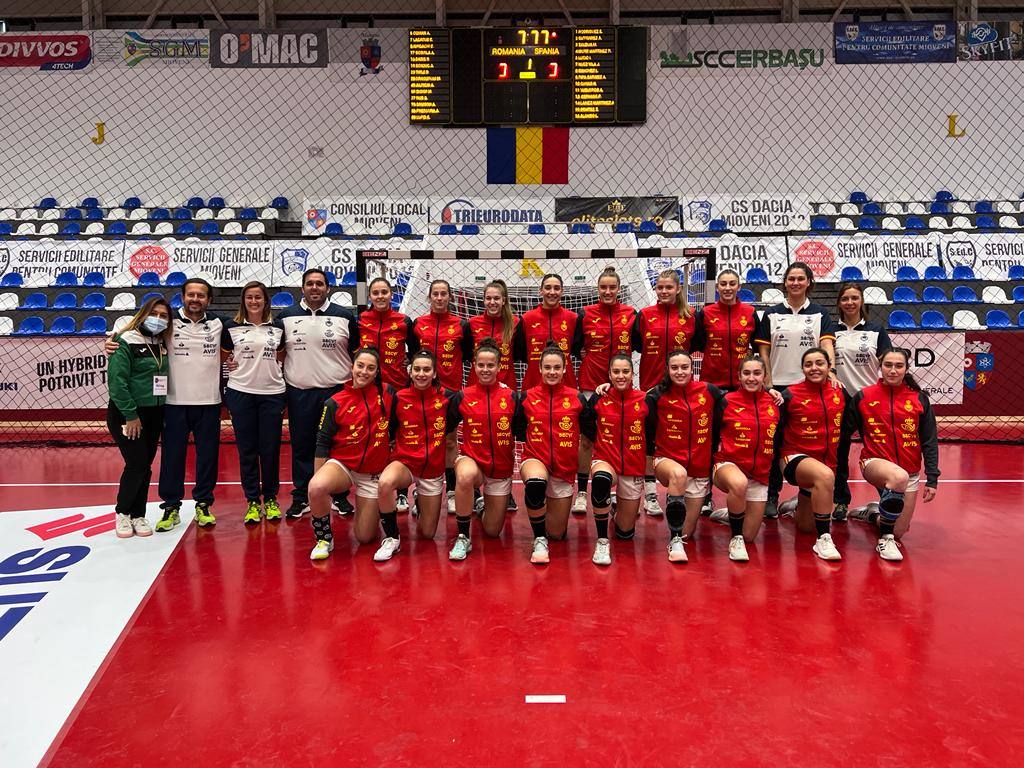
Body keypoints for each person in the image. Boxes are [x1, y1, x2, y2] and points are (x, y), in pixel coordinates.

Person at [838, 348, 940, 561]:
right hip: (874, 462)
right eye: (888, 365)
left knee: (900, 531)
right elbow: (844, 435)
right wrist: (838, 470)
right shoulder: (864, 397)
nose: (893, 371)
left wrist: (932, 478)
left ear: (906, 369)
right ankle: (885, 540)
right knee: (897, 478)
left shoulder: (919, 398)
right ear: (880, 367)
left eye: (899, 366)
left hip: (909, 471)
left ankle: (873, 513)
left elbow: (929, 440)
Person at [755, 262, 837, 518]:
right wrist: (767, 383)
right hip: (779, 388)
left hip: (809, 387)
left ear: (809, 282)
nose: (796, 283)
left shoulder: (821, 314)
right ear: (785, 282)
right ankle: (771, 496)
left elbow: (826, 348)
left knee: (808, 440)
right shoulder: (771, 314)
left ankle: (809, 494)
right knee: (774, 442)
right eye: (791, 279)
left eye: (801, 278)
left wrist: (830, 371)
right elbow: (764, 352)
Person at [278, 268, 360, 519]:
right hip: (300, 392)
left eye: (320, 284)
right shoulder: (285, 317)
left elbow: (356, 354)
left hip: (337, 393)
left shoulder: (344, 316)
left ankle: (339, 495)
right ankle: (301, 496)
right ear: (302, 288)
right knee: (302, 445)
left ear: (328, 288)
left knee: (338, 446)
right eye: (310, 284)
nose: (315, 288)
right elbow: (279, 354)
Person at [308, 348, 392, 560]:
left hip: (373, 473)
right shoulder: (334, 402)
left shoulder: (387, 394)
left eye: (370, 368)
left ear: (376, 372)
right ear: (351, 367)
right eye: (360, 366)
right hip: (343, 466)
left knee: (365, 537)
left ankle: (377, 512)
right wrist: (318, 480)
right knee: (317, 487)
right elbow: (322, 443)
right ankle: (324, 538)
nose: (364, 371)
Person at [513, 343, 590, 564]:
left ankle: (544, 518)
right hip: (534, 459)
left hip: (565, 468)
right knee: (536, 483)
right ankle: (538, 540)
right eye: (547, 367)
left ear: (565, 369)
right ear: (540, 368)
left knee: (557, 534)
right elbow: (519, 430)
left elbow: (588, 435)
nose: (552, 372)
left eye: (557, 367)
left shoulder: (577, 398)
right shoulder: (527, 397)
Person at [156, 278, 223, 531]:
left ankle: (203, 503)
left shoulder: (219, 323)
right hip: (174, 402)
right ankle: (171, 506)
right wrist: (113, 341)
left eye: (201, 295)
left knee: (208, 457)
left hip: (209, 402)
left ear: (209, 300)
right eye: (191, 295)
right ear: (182, 297)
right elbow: (135, 331)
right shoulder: (167, 322)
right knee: (173, 457)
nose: (196, 299)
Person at [644, 350, 723, 563]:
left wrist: (769, 391)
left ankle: (715, 518)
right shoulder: (656, 396)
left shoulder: (709, 391)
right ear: (668, 370)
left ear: (692, 369)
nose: (680, 372)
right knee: (678, 474)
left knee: (689, 531)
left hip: (699, 469)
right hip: (667, 462)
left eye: (684, 367)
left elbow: (737, 399)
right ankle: (675, 541)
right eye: (675, 368)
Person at [371, 351, 451, 561]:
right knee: (385, 483)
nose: (421, 374)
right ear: (410, 371)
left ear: (434, 373)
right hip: (405, 463)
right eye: (417, 369)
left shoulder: (447, 398)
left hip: (433, 470)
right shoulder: (399, 398)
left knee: (427, 534)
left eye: (426, 370)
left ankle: (420, 498)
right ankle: (392, 537)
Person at [571, 267, 638, 517]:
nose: (608, 291)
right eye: (603, 287)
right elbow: (576, 347)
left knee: (619, 439)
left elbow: (638, 344)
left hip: (621, 387)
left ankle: (615, 492)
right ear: (597, 289)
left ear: (619, 289)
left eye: (612, 287)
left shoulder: (632, 314)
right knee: (587, 439)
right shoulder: (585, 314)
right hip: (590, 384)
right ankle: (580, 493)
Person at [445, 340, 518, 560]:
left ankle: (480, 505)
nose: (485, 370)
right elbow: (447, 431)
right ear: (474, 366)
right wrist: (454, 459)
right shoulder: (462, 396)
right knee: (465, 476)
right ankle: (463, 536)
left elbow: (524, 431)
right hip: (472, 461)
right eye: (481, 365)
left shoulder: (512, 397)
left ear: (499, 367)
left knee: (492, 532)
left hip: (501, 470)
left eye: (490, 365)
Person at [221, 281, 286, 524]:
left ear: (265, 300)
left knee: (269, 450)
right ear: (243, 300)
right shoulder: (231, 327)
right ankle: (251, 501)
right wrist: (229, 365)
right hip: (240, 392)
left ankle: (270, 499)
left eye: (258, 297)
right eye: (249, 297)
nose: (254, 301)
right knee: (247, 450)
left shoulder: (278, 326)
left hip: (273, 393)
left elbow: (282, 355)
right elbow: (222, 356)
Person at [107, 297, 171, 538]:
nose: (158, 319)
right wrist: (130, 415)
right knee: (136, 464)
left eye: (164, 316)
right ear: (143, 314)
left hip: (155, 413)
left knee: (145, 466)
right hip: (127, 413)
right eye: (154, 313)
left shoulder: (163, 341)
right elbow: (117, 383)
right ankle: (122, 513)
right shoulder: (125, 340)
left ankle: (138, 514)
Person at [773, 348, 846, 561]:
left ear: (828, 367)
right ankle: (824, 538)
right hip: (794, 458)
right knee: (823, 477)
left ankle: (795, 505)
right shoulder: (790, 395)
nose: (814, 368)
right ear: (802, 368)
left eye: (819, 363)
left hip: (826, 463)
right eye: (808, 364)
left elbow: (847, 431)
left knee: (805, 527)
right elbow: (775, 431)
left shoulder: (840, 393)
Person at [635, 268, 696, 517]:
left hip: (680, 390)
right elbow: (637, 345)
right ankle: (650, 492)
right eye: (659, 287)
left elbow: (696, 346)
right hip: (650, 386)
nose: (664, 291)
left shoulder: (691, 316)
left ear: (678, 288)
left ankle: (684, 490)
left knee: (677, 438)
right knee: (649, 440)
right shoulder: (645, 315)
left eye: (669, 287)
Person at [709, 357, 781, 562]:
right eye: (746, 373)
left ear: (765, 376)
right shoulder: (726, 401)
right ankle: (735, 538)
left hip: (760, 475)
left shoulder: (775, 403)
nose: (751, 378)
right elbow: (712, 435)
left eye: (757, 373)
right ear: (739, 376)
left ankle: (730, 513)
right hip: (727, 465)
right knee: (739, 484)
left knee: (750, 536)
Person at [831, 282, 892, 521]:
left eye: (854, 298)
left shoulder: (876, 330)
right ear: (839, 303)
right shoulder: (830, 330)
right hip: (841, 400)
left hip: (869, 401)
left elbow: (888, 363)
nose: (850, 302)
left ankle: (888, 500)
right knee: (839, 453)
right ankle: (841, 502)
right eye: (845, 298)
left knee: (877, 451)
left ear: (861, 301)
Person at [358, 276, 418, 515]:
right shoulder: (361, 321)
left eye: (384, 292)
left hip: (398, 388)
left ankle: (402, 492)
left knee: (398, 438)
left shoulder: (404, 321)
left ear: (391, 294)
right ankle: (373, 485)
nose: (380, 296)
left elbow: (414, 354)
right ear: (370, 296)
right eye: (376, 292)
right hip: (371, 390)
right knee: (375, 438)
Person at [412, 279, 473, 514]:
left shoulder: (461, 325)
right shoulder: (418, 324)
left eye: (443, 294)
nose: (439, 298)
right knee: (423, 440)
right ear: (429, 297)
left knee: (449, 442)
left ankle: (450, 491)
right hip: (424, 393)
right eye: (435, 294)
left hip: (451, 393)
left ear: (449, 297)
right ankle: (419, 489)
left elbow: (466, 355)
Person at [585, 354, 648, 566]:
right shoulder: (598, 398)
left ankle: (615, 509)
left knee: (625, 532)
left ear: (632, 374)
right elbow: (587, 427)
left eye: (625, 372)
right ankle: (602, 540)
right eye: (616, 372)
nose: (621, 376)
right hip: (605, 459)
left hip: (632, 467)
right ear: (609, 374)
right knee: (601, 479)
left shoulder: (645, 399)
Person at [692, 269, 757, 391]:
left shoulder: (750, 312)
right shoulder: (706, 313)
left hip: (743, 383)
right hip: (712, 382)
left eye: (732, 284)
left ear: (739, 287)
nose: (727, 288)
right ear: (717, 287)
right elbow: (699, 345)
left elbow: (756, 347)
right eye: (723, 284)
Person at [514, 272, 580, 392]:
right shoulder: (527, 319)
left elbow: (579, 350)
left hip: (567, 387)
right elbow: (520, 354)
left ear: (562, 291)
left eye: (557, 288)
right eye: (548, 288)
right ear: (541, 291)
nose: (552, 292)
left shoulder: (573, 318)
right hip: (533, 386)